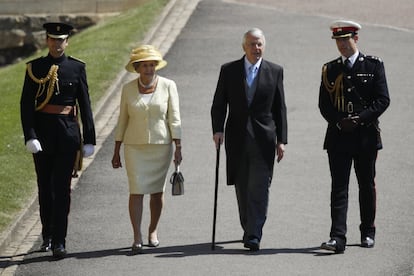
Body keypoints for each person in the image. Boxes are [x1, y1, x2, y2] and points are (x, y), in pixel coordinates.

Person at [20, 22, 96, 259]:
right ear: (46, 41)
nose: (56, 43)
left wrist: (89, 139)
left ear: (67, 42)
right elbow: (26, 106)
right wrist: (30, 135)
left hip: (67, 136)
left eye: (60, 40)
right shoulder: (35, 67)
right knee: (45, 188)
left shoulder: (76, 68)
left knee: (61, 190)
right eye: (52, 39)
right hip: (42, 136)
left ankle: (60, 241)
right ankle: (47, 235)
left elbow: (85, 105)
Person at [211, 28, 288, 251]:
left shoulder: (275, 71)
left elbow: (279, 107)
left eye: (260, 44)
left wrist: (281, 140)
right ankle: (248, 226)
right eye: (252, 44)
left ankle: (254, 233)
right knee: (242, 186)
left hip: (264, 138)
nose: (256, 48)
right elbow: (219, 103)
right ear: (244, 46)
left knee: (260, 187)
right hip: (236, 138)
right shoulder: (229, 70)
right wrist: (217, 130)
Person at [319, 20, 390, 253]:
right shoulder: (329, 69)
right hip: (339, 136)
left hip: (365, 136)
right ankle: (337, 237)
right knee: (339, 187)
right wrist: (339, 121)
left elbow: (382, 100)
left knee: (366, 185)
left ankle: (367, 231)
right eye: (338, 41)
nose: (341, 45)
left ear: (356, 39)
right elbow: (324, 104)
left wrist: (360, 119)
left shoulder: (373, 65)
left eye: (345, 40)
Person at [111, 45, 182, 254]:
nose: (149, 69)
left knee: (157, 191)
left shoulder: (169, 86)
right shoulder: (127, 89)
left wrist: (178, 146)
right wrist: (116, 149)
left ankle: (153, 231)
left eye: (152, 65)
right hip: (133, 147)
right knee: (136, 190)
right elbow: (122, 120)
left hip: (161, 146)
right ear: (137, 67)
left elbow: (174, 117)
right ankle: (137, 236)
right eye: (145, 65)